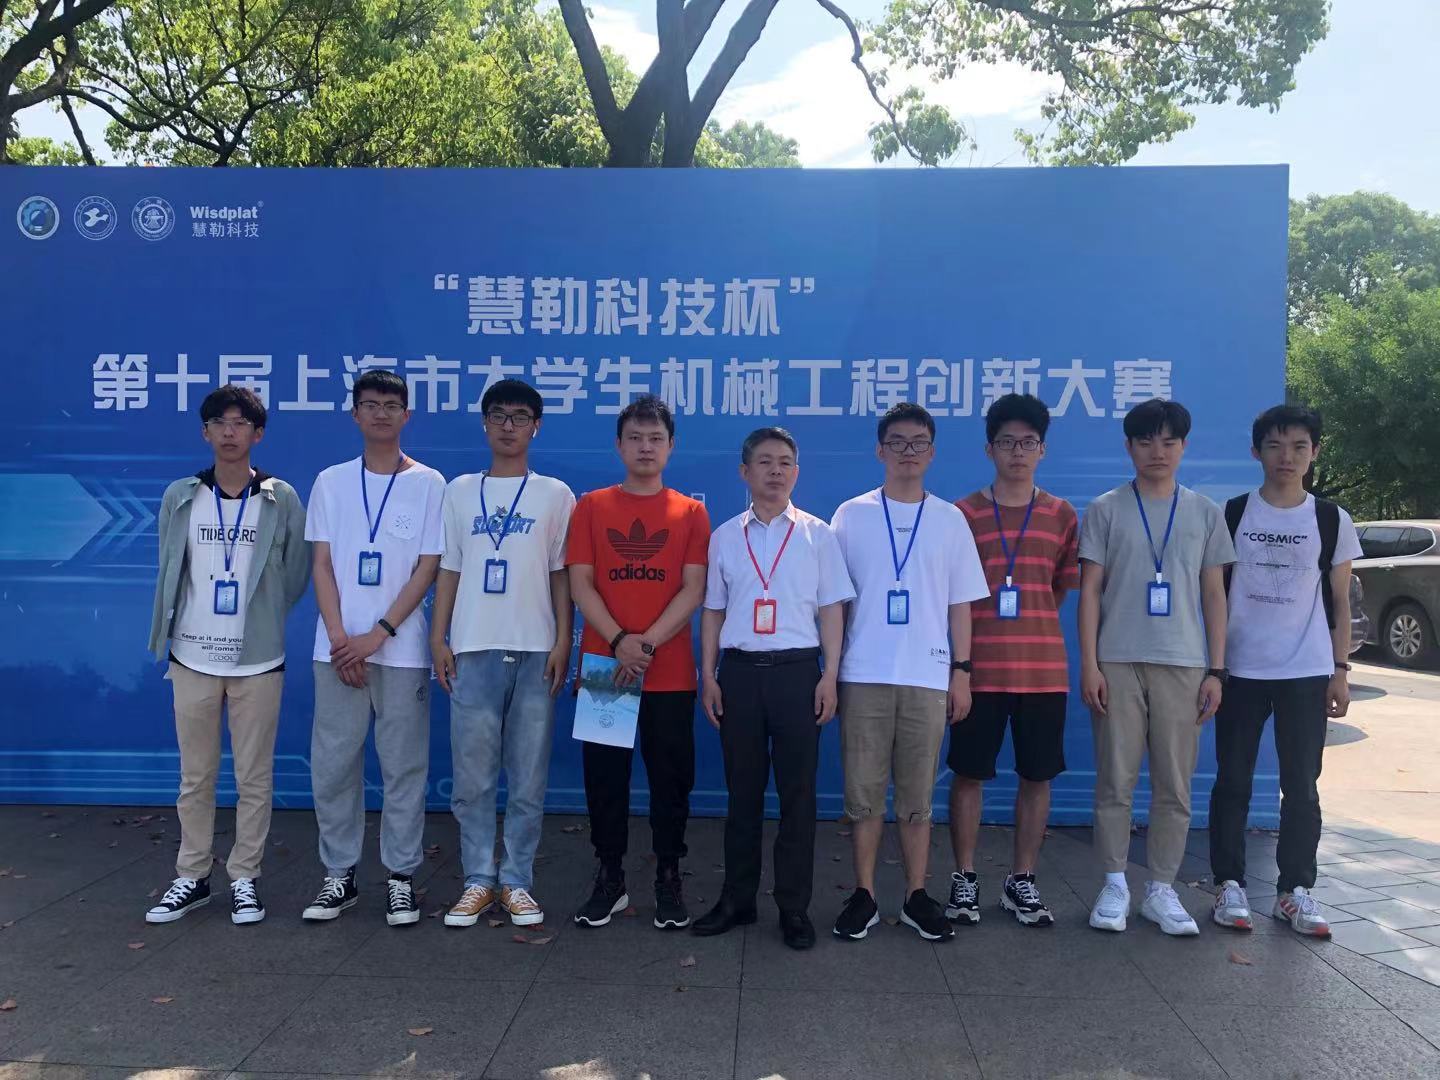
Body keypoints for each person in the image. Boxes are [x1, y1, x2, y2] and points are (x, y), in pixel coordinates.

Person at [144, 385, 309, 925]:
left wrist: (262, 616)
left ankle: (245, 877)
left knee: (254, 778)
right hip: (191, 656)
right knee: (195, 777)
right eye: (220, 422)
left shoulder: (280, 498)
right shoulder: (182, 496)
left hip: (257, 660)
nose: (230, 432)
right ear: (205, 432)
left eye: (241, 423)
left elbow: (295, 574)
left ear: (258, 434)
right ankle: (192, 875)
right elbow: (170, 567)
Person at [830, 402, 990, 942]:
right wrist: (832, 671)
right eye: (896, 442)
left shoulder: (949, 520)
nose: (907, 451)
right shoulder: (850, 515)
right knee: (864, 794)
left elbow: (960, 605)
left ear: (932, 452)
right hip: (863, 674)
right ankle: (865, 895)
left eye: (918, 442)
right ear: (880, 450)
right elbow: (836, 603)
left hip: (928, 675)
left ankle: (917, 894)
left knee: (917, 797)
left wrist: (962, 671)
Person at [694, 427, 855, 950]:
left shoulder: (818, 535)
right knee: (741, 794)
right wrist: (708, 675)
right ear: (745, 472)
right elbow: (713, 611)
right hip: (739, 675)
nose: (776, 470)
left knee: (798, 797)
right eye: (764, 461)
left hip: (798, 675)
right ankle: (737, 899)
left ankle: (793, 907)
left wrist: (829, 675)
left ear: (797, 472)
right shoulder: (725, 536)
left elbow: (832, 610)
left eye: (785, 461)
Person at [1079, 398, 1235, 936]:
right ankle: (1114, 884)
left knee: (1174, 786)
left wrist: (1217, 670)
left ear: (1184, 447)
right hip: (1117, 661)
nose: (1157, 451)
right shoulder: (1105, 508)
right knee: (1114, 781)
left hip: (1184, 663)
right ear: (1129, 447)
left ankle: (1162, 889)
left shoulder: (1205, 513)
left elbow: (1214, 595)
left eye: (1169, 441)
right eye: (1146, 441)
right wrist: (1090, 664)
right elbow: (1090, 592)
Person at [1208, 405, 1361, 938]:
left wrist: (1340, 671)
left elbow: (1339, 603)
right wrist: (1214, 668)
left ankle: (1294, 891)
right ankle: (1227, 884)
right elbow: (1215, 596)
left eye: (1299, 446)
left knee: (1302, 786)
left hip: (1307, 670)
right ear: (1256, 452)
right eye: (1274, 446)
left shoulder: (1331, 519)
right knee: (1233, 781)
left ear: (1314, 452)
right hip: (1241, 671)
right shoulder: (1232, 514)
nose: (1286, 457)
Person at [300, 370, 445, 927]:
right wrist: (342, 639)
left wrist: (379, 633)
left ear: (407, 415)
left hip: (400, 650)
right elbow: (321, 564)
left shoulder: (429, 483)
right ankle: (339, 874)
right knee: (334, 763)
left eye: (391, 405)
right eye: (370, 404)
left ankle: (401, 877)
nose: (381, 413)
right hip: (336, 651)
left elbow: (427, 567)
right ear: (355, 413)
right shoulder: (331, 481)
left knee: (404, 766)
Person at [431, 379, 575, 928]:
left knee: (528, 776)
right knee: (472, 778)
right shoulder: (460, 491)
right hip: (473, 648)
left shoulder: (555, 495)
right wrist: (439, 637)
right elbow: (449, 567)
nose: (508, 426)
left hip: (536, 650)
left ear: (536, 426)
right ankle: (477, 880)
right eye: (498, 415)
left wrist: (563, 640)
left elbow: (560, 573)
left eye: (520, 417)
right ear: (485, 423)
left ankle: (516, 881)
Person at [567, 394, 710, 930]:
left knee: (671, 782)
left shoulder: (690, 512)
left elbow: (693, 589)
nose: (645, 447)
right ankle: (610, 877)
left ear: (671, 446)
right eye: (635, 437)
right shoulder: (592, 506)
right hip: (606, 669)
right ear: (619, 445)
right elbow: (581, 583)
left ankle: (669, 875)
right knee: (605, 780)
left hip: (668, 673)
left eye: (655, 438)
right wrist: (620, 640)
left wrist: (643, 644)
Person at [949, 394, 1079, 927]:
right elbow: (954, 594)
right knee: (968, 775)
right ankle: (964, 876)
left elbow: (1060, 587)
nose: (1018, 452)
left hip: (1043, 673)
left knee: (1037, 777)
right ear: (990, 449)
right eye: (1007, 442)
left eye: (1028, 442)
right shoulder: (962, 514)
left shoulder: (1062, 514)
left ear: (1042, 450)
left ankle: (1021, 878)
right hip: (977, 671)